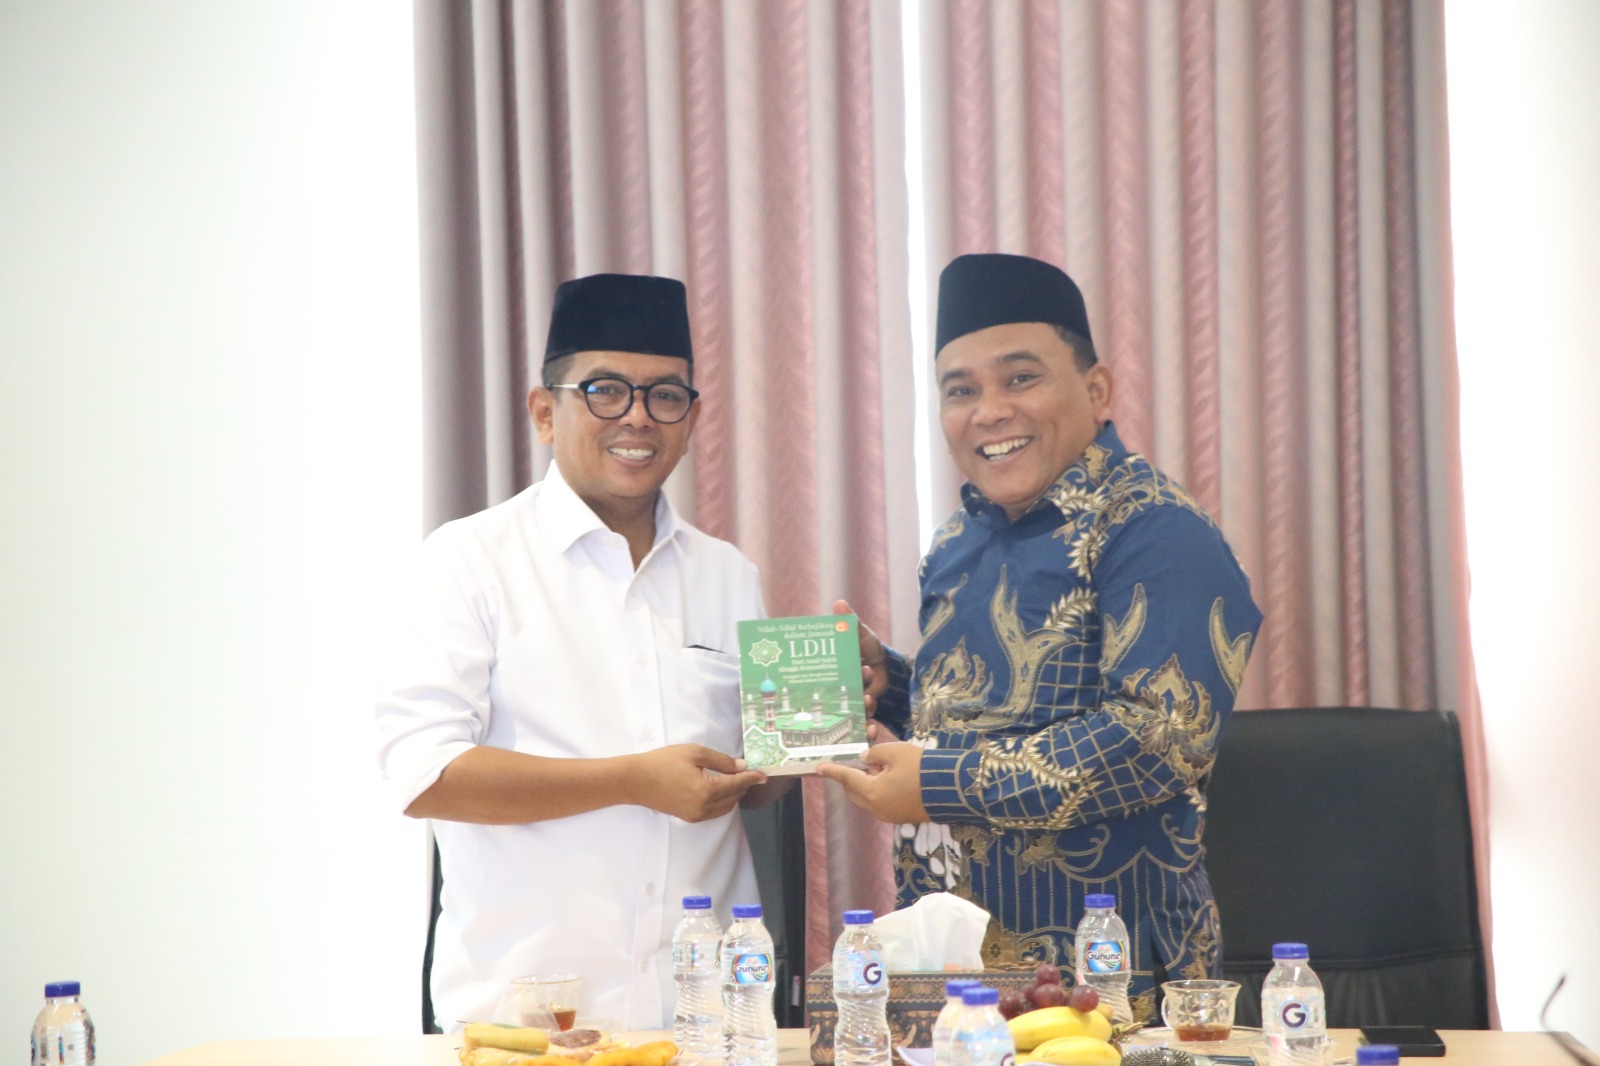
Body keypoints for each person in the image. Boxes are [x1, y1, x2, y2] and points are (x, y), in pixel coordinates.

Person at [818, 253, 1263, 1022]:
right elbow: (993, 711)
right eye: (961, 390)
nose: (990, 411)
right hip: (959, 984)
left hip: (1113, 979)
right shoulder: (957, 541)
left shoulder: (1154, 528)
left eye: (1019, 378)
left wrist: (937, 782)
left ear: (1096, 390)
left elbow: (1158, 738)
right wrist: (891, 684)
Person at [375, 273, 778, 1031]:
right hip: (528, 1016)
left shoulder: (728, 574)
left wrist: (818, 728)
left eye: (665, 395)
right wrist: (633, 780)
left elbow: (754, 783)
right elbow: (424, 774)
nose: (638, 417)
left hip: (708, 1014)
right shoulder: (469, 559)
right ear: (544, 412)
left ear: (692, 419)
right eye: (605, 391)